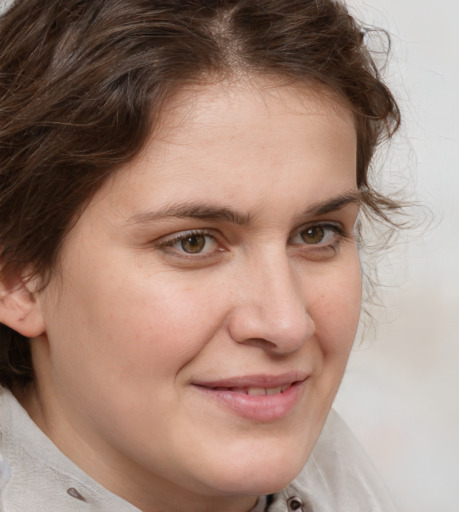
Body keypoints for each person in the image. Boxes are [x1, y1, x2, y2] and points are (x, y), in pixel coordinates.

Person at [0, 0, 402, 511]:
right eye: (193, 242)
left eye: (316, 233)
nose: (286, 324)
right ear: (16, 276)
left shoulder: (338, 477)